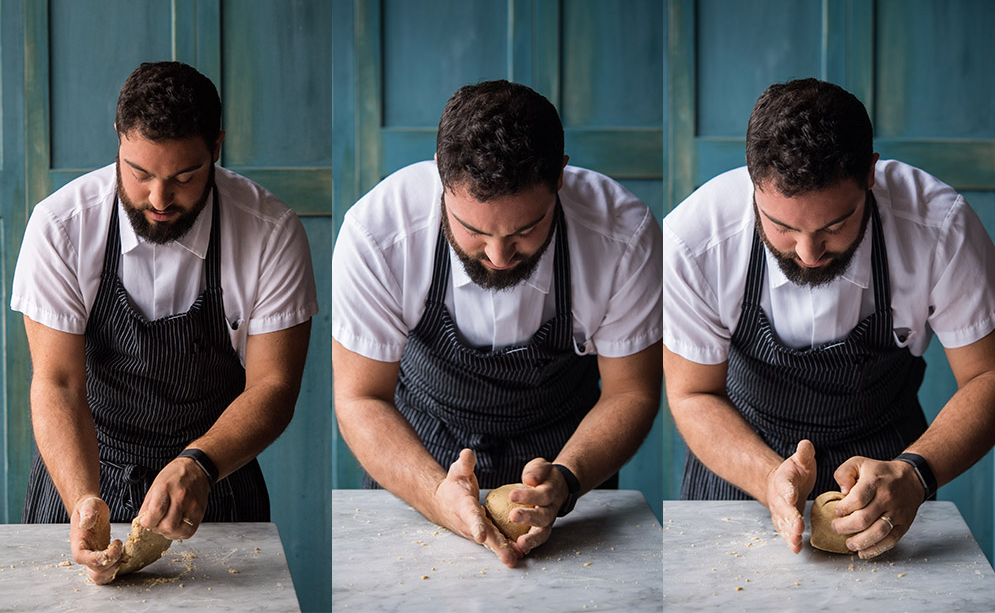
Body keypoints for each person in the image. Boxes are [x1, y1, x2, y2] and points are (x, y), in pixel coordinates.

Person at [332, 80, 662, 567]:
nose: (499, 255)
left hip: (565, 463)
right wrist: (436, 495)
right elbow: (361, 398)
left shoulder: (624, 236)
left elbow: (630, 392)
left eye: (527, 229)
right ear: (441, 180)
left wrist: (566, 482)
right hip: (419, 461)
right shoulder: (379, 234)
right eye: (474, 230)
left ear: (560, 179)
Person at [661, 78, 995, 559]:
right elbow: (693, 393)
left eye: (835, 225)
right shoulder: (694, 240)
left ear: (871, 175)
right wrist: (769, 479)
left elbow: (986, 373)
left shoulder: (938, 227)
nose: (809, 253)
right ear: (752, 181)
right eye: (782, 226)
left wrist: (916, 473)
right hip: (742, 468)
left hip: (890, 475)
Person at [11, 61, 317, 583]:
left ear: (216, 147)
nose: (158, 199)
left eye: (184, 177)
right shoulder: (60, 227)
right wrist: (84, 499)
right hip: (85, 468)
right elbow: (57, 382)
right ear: (118, 139)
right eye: (139, 173)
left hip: (214, 479)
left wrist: (199, 463)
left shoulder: (270, 232)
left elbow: (275, 385)